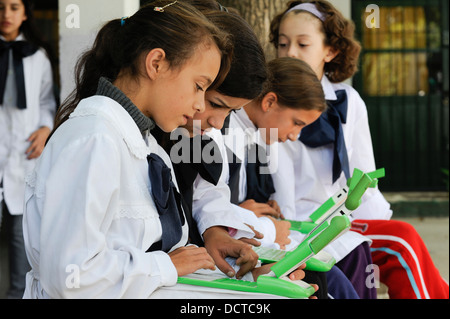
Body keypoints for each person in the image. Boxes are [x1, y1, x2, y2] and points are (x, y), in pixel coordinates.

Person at [21, 0, 235, 299]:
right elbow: (71, 276)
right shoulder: (93, 140)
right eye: (199, 86)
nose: (200, 104)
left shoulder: (148, 146)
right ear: (156, 63)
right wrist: (165, 266)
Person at [269, 0, 449, 299]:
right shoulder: (271, 105)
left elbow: (364, 178)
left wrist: (377, 221)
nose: (290, 53)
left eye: (302, 44)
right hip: (300, 225)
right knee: (401, 241)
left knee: (401, 238)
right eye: (282, 44)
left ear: (330, 50)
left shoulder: (348, 101)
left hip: (338, 218)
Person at [0, 0, 56, 299]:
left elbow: (48, 101)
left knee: (23, 241)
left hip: (24, 159)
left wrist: (46, 129)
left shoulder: (38, 57)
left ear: (24, 14)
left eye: (13, 7)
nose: (6, 15)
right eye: (0, 7)